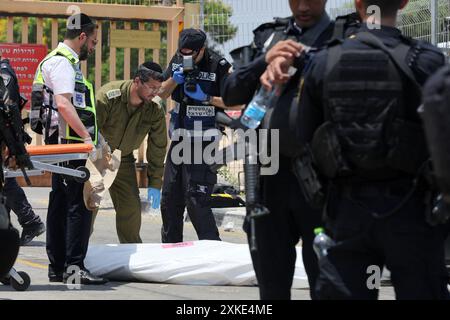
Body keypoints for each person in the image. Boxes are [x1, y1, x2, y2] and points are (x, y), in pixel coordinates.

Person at [295, 0, 449, 299]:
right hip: (414, 211)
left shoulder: (324, 61)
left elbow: (304, 138)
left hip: (346, 211)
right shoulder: (428, 61)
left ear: (357, 3)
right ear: (404, 2)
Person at [222, 0, 359, 300]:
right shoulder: (269, 37)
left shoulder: (346, 34)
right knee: (271, 288)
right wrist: (264, 61)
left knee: (328, 287)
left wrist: (305, 60)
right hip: (269, 180)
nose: (304, 6)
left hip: (323, 182)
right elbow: (230, 91)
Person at [32, 13, 107, 285]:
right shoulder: (63, 64)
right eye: (93, 42)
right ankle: (74, 267)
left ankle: (59, 267)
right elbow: (64, 105)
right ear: (83, 37)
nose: (93, 48)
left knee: (61, 201)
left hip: (62, 144)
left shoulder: (56, 60)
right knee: (79, 204)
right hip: (69, 144)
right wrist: (87, 137)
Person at [158, 28, 232, 243]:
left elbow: (235, 101)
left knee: (196, 200)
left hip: (204, 140)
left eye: (192, 53)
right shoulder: (178, 59)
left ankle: (212, 251)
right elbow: (161, 92)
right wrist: (174, 80)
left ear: (202, 50)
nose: (187, 57)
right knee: (170, 198)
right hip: (180, 138)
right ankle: (171, 250)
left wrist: (208, 98)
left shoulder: (218, 65)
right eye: (183, 52)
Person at [95, 62, 167, 243]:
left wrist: (155, 183)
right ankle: (75, 255)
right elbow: (89, 131)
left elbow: (157, 147)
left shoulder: (155, 108)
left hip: (123, 159)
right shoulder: (108, 96)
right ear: (137, 81)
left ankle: (132, 254)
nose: (155, 93)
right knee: (89, 206)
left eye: (158, 89)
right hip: (96, 157)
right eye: (151, 87)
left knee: (131, 208)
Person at [0, 56, 46, 246]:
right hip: (5, 135)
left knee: (5, 181)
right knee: (5, 181)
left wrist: (14, 145)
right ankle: (12, 226)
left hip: (4, 136)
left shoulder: (4, 73)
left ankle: (29, 222)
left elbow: (9, 109)